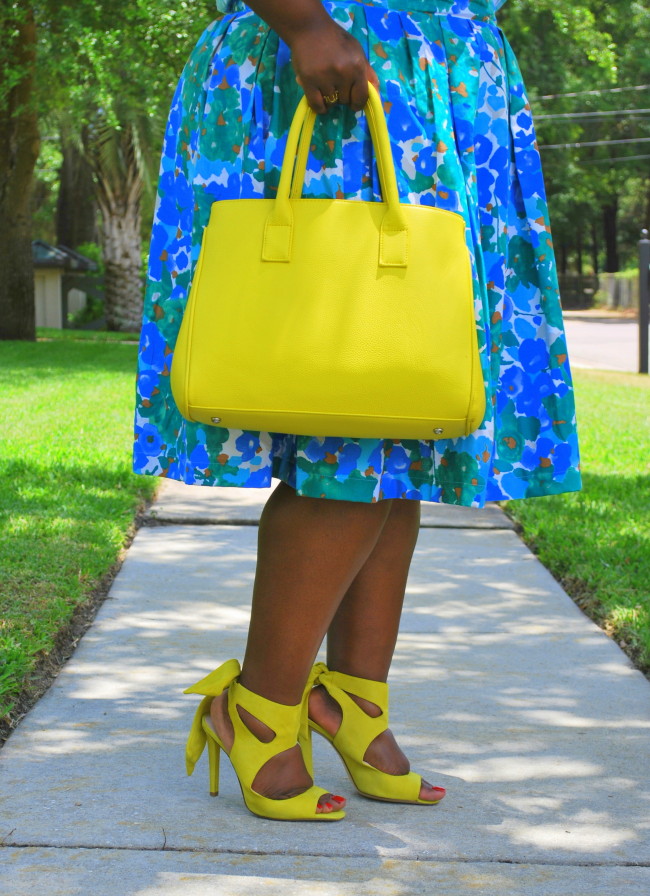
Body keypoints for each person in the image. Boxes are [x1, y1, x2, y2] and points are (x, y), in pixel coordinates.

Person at [134, 0, 581, 821]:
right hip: (334, 55)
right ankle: (260, 709)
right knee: (350, 426)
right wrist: (303, 22)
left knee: (405, 405)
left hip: (441, 78)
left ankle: (352, 703)